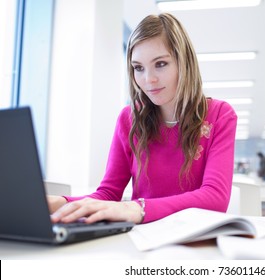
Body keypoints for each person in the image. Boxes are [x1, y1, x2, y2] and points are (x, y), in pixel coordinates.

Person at [48, 13, 237, 225]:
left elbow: (215, 198)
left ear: (184, 63)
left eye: (161, 64)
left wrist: (139, 208)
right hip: (143, 240)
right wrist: (58, 203)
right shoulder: (129, 119)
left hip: (196, 238)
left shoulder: (220, 114)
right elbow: (109, 194)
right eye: (138, 68)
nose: (149, 79)